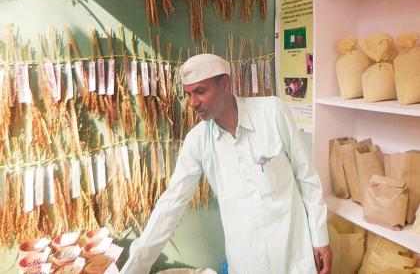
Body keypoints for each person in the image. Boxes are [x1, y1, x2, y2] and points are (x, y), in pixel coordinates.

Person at [121, 54, 332, 274]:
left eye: (201, 91)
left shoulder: (272, 112)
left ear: (225, 84)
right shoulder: (198, 141)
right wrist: (134, 268)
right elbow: (171, 204)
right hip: (247, 262)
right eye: (189, 94)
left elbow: (306, 175)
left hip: (295, 256)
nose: (193, 103)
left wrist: (320, 237)